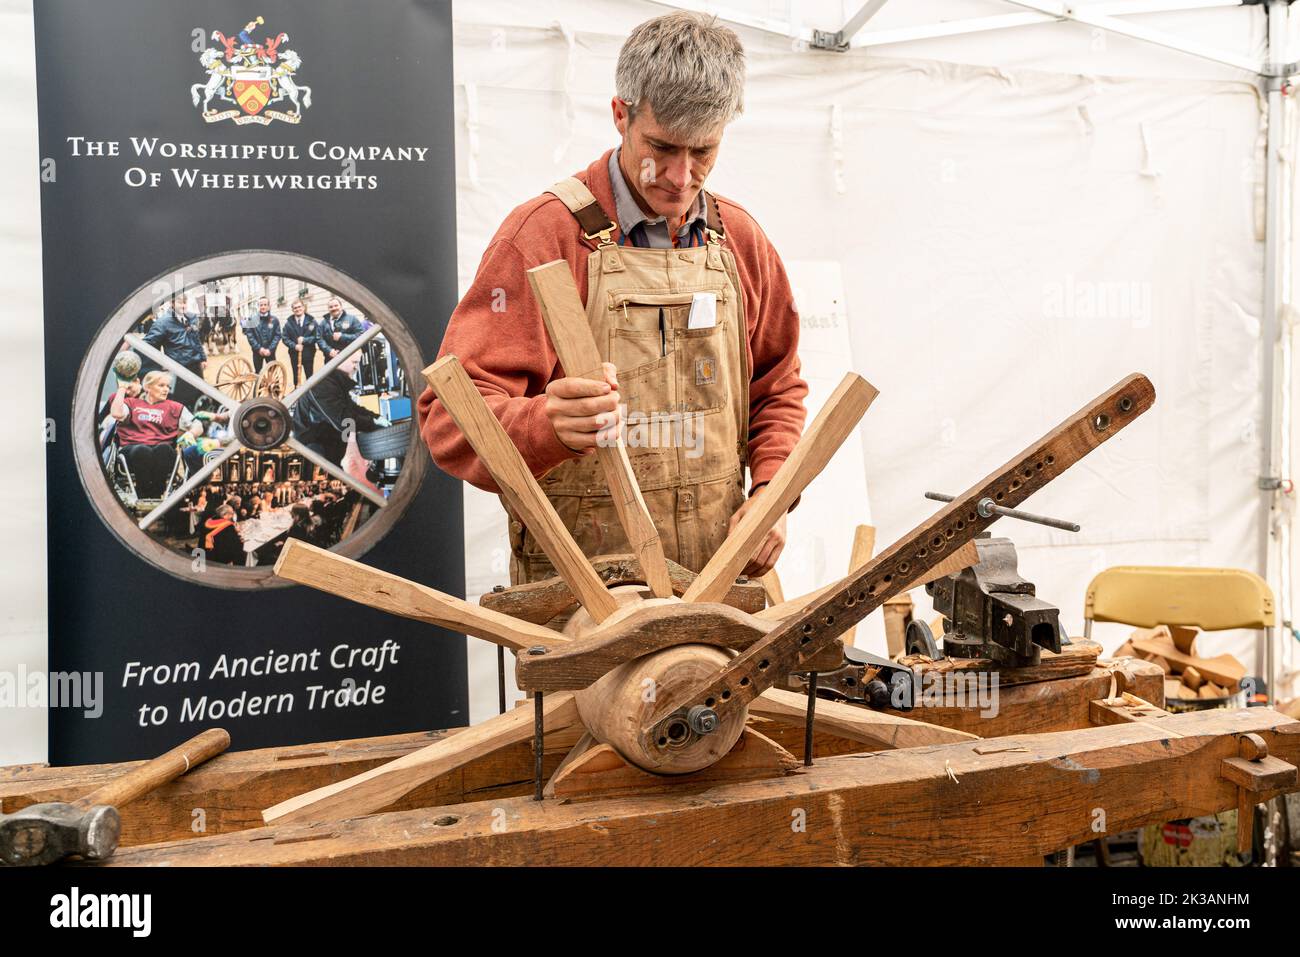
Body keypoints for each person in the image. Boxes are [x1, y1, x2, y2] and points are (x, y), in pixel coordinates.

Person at [417, 12, 807, 586]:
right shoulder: (543, 237)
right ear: (620, 115)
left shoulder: (739, 241)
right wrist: (543, 424)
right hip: (584, 605)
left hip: (724, 591)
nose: (680, 177)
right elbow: (448, 418)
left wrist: (772, 490)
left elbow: (777, 386)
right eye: (662, 148)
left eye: (703, 152)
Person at [290, 350, 388, 464]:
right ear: (340, 360)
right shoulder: (322, 386)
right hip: (315, 447)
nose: (356, 367)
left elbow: (352, 408)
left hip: (329, 441)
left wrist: (376, 416)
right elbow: (344, 421)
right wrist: (372, 423)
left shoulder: (335, 382)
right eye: (354, 362)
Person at [110, 370, 192, 498]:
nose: (166, 389)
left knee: (163, 448)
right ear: (147, 387)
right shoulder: (132, 403)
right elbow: (116, 413)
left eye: (168, 386)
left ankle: (156, 493)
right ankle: (144, 494)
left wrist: (191, 433)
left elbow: (197, 424)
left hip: (163, 453)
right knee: (142, 450)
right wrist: (122, 388)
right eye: (161, 385)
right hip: (133, 450)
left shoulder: (175, 407)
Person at [143, 295, 208, 410]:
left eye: (185, 302)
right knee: (181, 401)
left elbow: (196, 339)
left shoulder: (192, 317)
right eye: (180, 302)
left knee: (199, 396)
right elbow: (148, 345)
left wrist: (203, 358)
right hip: (179, 370)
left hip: (196, 366)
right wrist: (160, 364)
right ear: (172, 304)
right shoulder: (162, 323)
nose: (183, 305)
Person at [282, 297, 320, 386]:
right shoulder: (288, 323)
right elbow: (284, 338)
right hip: (294, 354)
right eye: (295, 308)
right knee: (296, 376)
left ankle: (310, 394)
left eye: (299, 307)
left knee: (309, 376)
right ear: (292, 310)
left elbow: (317, 336)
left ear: (303, 307)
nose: (297, 309)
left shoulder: (312, 321)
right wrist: (294, 346)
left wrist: (305, 340)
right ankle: (297, 392)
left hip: (308, 354)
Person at [317, 297, 364, 361]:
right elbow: (319, 338)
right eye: (331, 307)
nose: (334, 308)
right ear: (328, 309)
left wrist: (343, 336)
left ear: (341, 307)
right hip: (329, 359)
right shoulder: (323, 322)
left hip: (348, 358)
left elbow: (361, 336)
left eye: (336, 306)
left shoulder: (352, 319)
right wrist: (329, 350)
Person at [246, 296, 282, 374]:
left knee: (273, 372)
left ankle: (275, 386)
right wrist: (259, 349)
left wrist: (270, 349)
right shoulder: (251, 319)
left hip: (270, 352)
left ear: (269, 306)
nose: (263, 307)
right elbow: (250, 335)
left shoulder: (275, 320)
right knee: (258, 373)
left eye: (265, 305)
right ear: (258, 306)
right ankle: (260, 386)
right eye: (261, 305)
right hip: (257, 352)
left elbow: (277, 335)